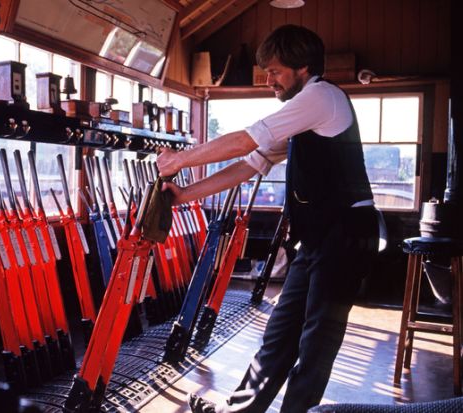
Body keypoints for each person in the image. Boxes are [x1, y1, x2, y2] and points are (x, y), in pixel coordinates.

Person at [156, 24, 379, 413]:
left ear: (303, 68)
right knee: (279, 337)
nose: (268, 80)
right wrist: (184, 194)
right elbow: (248, 164)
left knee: (315, 344)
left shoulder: (321, 97)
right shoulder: (301, 116)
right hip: (316, 240)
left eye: (275, 71)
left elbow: (246, 139)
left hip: (346, 236)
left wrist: (178, 159)